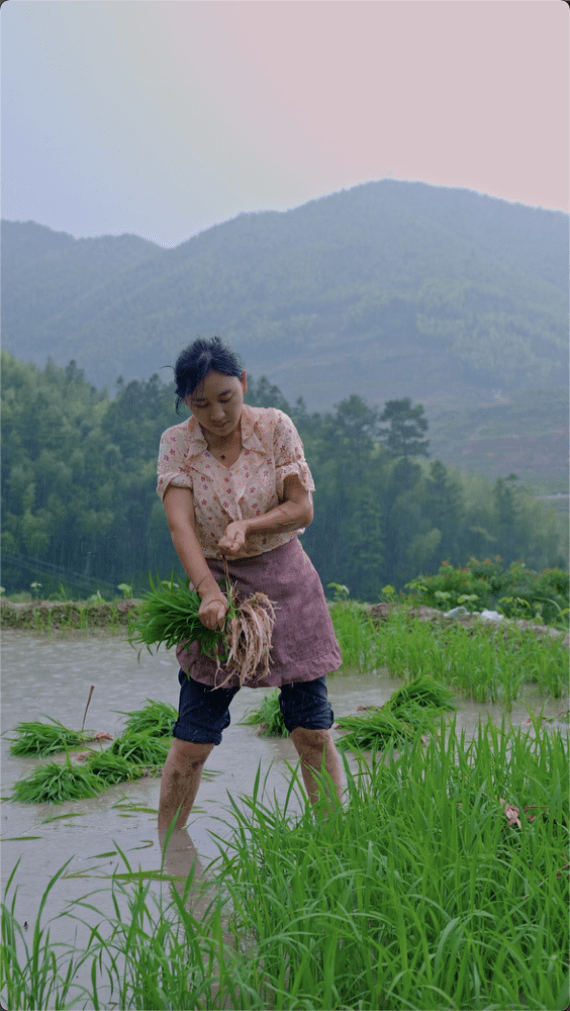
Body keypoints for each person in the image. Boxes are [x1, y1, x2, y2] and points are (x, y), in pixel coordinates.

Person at [156, 337, 342, 831]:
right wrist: (208, 591)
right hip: (219, 587)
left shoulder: (275, 427)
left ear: (243, 384)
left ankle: (335, 836)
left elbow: (302, 508)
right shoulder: (177, 444)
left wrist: (251, 525)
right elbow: (182, 526)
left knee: (312, 731)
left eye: (226, 398)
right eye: (201, 404)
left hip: (287, 583)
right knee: (193, 739)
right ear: (185, 403)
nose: (217, 414)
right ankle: (170, 853)